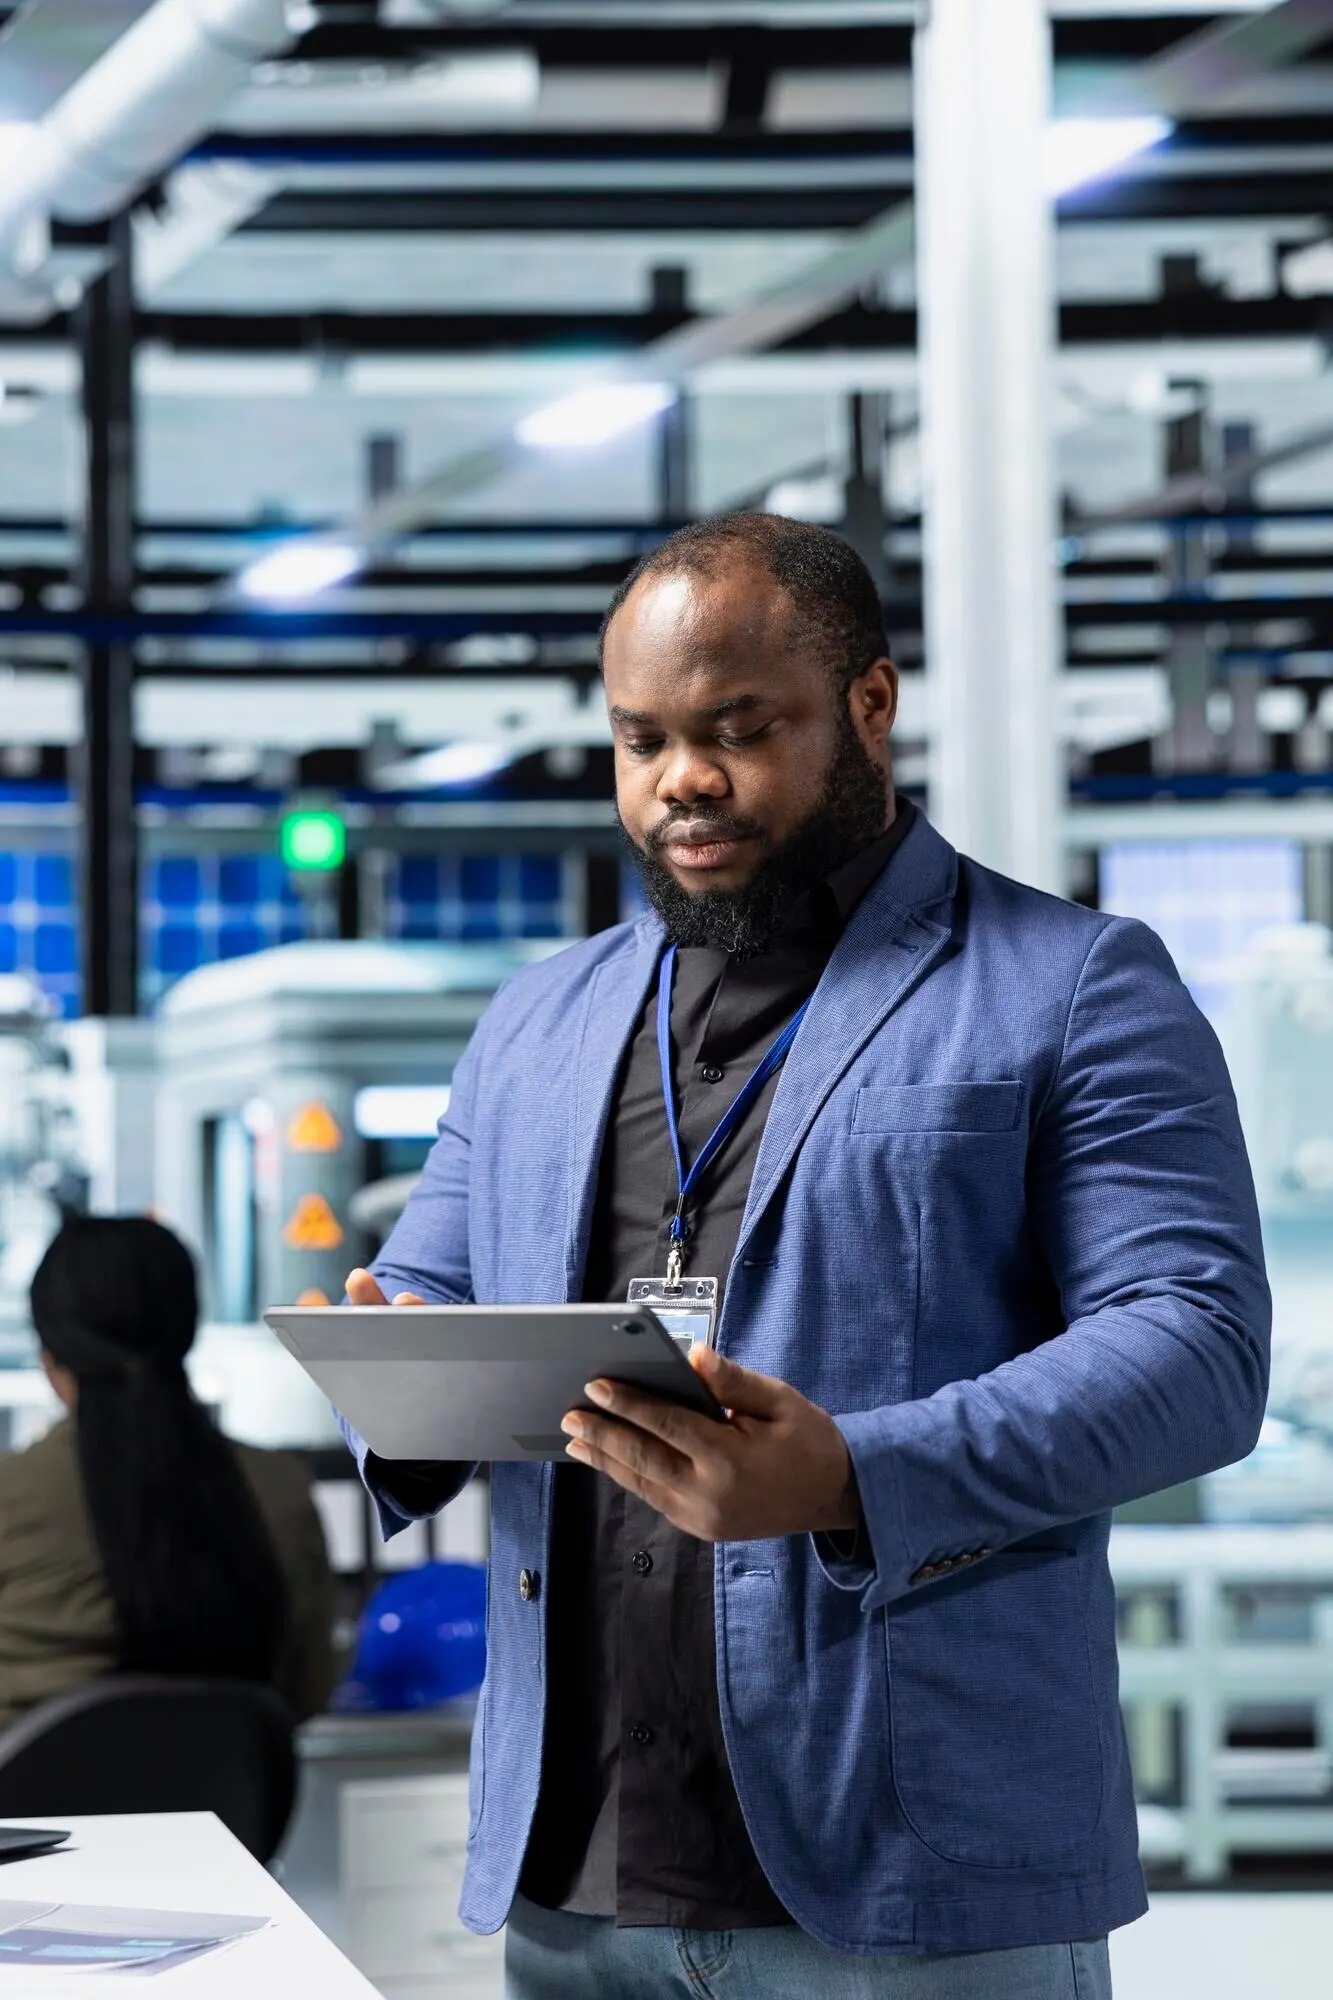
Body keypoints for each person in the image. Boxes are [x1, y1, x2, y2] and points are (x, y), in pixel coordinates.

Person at [342, 513, 1270, 1999]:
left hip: (914, 1877)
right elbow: (432, 1289)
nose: (679, 780)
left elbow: (1195, 1350)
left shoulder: (1069, 986)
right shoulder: (537, 1021)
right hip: (576, 1885)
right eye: (639, 739)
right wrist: (390, 1361)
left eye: (736, 727)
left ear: (869, 705)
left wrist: (853, 1474)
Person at [0, 1215, 337, 1728]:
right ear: (187, 1331)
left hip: (29, 1806)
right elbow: (308, 1691)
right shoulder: (280, 1489)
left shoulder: (14, 1497)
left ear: (50, 1355)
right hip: (227, 1807)